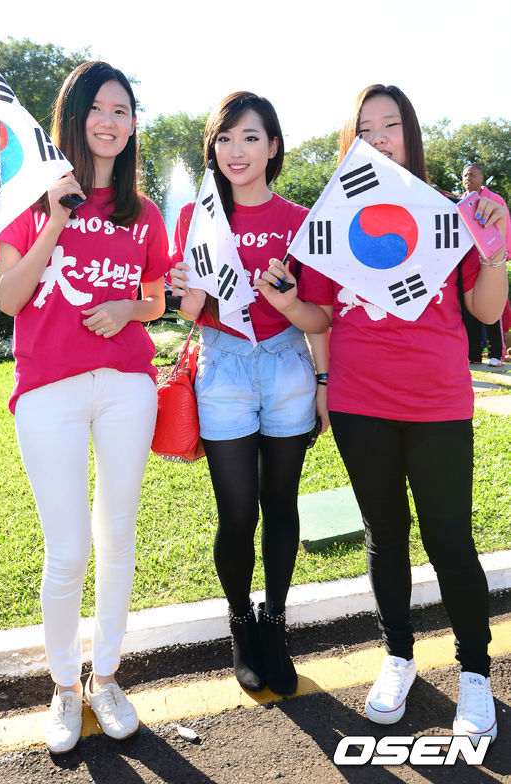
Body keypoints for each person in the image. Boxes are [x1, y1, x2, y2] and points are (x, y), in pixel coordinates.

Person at [257, 85, 508, 744]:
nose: (378, 138)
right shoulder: (333, 219)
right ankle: (398, 656)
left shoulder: (449, 213)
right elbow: (321, 316)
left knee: (450, 538)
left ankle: (475, 673)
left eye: (390, 125)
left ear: (410, 134)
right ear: (351, 143)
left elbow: (486, 311)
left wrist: (495, 248)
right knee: (384, 534)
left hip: (438, 402)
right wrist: (286, 304)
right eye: (364, 129)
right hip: (360, 402)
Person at [0, 61, 170, 754]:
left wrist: (128, 307)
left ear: (133, 124)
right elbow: (10, 298)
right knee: (66, 549)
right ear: (71, 116)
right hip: (48, 390)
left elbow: (156, 301)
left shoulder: (143, 212)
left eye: (122, 110)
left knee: (117, 537)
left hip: (126, 386)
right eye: (97, 108)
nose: (110, 121)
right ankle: (65, 686)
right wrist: (56, 218)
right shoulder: (28, 200)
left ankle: (108, 677)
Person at [169, 91, 331, 697]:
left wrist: (319, 376)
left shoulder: (301, 221)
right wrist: (185, 297)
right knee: (237, 512)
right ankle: (241, 623)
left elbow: (320, 317)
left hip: (288, 367)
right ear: (212, 147)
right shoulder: (197, 217)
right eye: (225, 138)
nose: (236, 150)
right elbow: (189, 309)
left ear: (273, 146)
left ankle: (275, 626)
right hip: (224, 370)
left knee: (281, 503)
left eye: (251, 137)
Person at [461, 163, 511, 367]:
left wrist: (504, 254)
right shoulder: (460, 202)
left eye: (472, 174)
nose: (468, 178)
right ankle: (473, 353)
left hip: (489, 260)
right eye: (465, 175)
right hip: (466, 262)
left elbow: (505, 229)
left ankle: (496, 353)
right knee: (468, 308)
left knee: (493, 310)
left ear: (481, 177)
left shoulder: (495, 200)